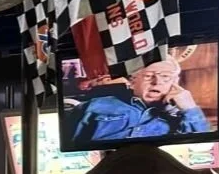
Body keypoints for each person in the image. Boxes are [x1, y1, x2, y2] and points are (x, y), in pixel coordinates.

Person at [72, 57, 210, 144]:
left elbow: (201, 147)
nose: (157, 82)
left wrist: (189, 108)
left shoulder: (183, 118)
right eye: (149, 76)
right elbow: (71, 145)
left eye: (166, 77)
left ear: (175, 82)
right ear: (132, 81)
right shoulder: (95, 106)